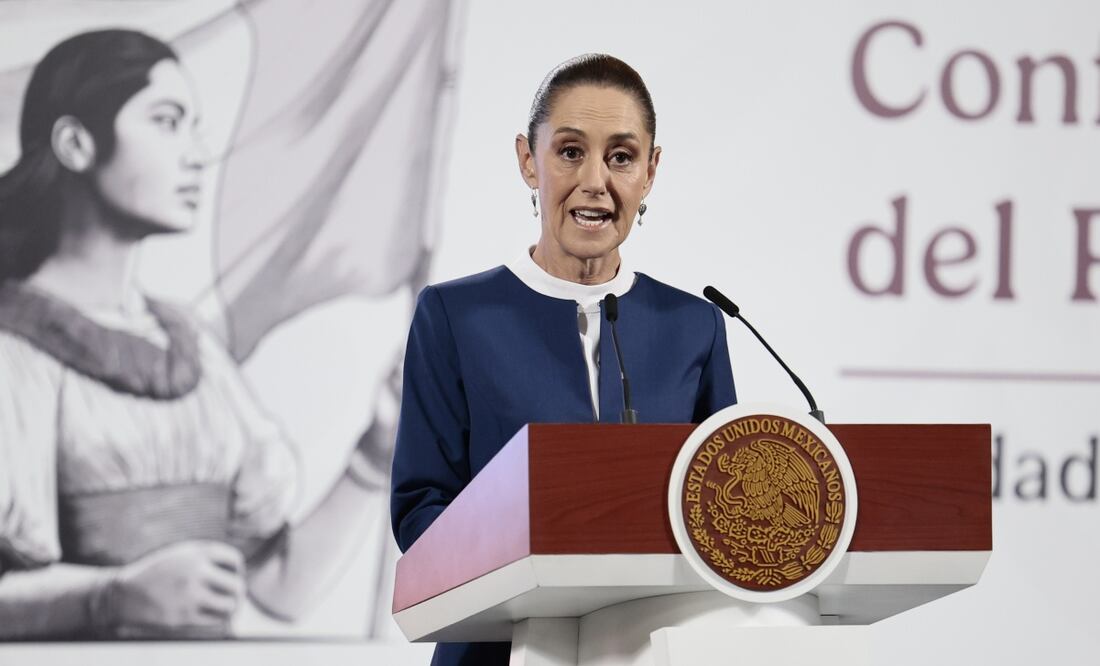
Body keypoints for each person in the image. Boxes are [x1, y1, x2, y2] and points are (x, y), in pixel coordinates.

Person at [0, 29, 381, 639]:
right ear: (75, 143)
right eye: (167, 121)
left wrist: (377, 454)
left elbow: (279, 589)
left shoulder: (193, 347)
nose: (198, 153)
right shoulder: (11, 353)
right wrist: (110, 597)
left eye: (194, 125)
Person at [390, 53, 737, 666]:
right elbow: (421, 511)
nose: (596, 181)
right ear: (529, 160)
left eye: (622, 157)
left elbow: (721, 509)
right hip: (494, 651)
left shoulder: (694, 327)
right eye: (571, 151)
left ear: (651, 171)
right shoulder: (456, 316)